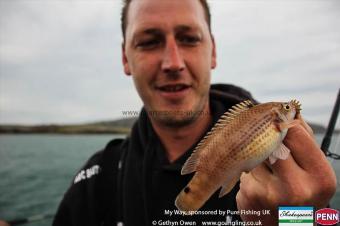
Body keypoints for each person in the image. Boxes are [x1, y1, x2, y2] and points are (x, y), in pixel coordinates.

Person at [53, 0, 337, 225]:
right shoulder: (96, 179)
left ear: (213, 51)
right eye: (149, 41)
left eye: (189, 38)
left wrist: (297, 220)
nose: (173, 62)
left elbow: (325, 221)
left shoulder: (290, 167)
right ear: (125, 58)